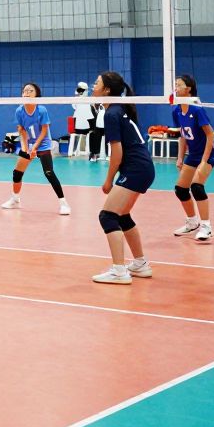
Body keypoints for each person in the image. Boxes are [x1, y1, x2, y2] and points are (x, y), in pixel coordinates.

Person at [90, 71, 155, 284]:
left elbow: (117, 152)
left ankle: (119, 271)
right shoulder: (118, 109)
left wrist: (109, 180)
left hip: (136, 168)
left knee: (107, 216)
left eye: (97, 83)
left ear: (107, 90)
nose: (93, 86)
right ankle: (140, 264)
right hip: (142, 167)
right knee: (122, 215)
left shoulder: (111, 114)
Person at [0, 83, 71, 215]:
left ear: (36, 95)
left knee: (49, 172)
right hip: (29, 144)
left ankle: (63, 203)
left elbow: (44, 131)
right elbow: (22, 130)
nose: (26, 93)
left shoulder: (41, 110)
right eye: (24, 91)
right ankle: (15, 199)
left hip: (43, 144)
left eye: (30, 91)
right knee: (17, 173)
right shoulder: (19, 111)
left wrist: (35, 148)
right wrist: (26, 148)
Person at [171, 75, 214, 242]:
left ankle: (206, 227)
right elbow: (183, 135)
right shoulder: (176, 110)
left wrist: (204, 161)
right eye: (175, 85)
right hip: (193, 154)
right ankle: (192, 222)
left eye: (179, 85)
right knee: (180, 189)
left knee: (197, 186)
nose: (175, 88)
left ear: (188, 89)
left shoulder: (196, 109)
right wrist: (180, 158)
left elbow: (210, 135)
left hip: (208, 153)